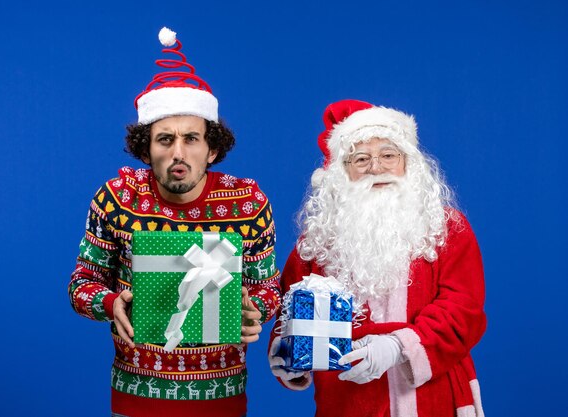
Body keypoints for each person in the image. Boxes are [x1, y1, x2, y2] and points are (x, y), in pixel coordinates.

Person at [69, 27, 280, 417]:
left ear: (213, 148)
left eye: (192, 139)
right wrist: (111, 302)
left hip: (222, 396)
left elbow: (268, 288)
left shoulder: (248, 203)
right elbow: (81, 285)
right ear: (145, 149)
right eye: (164, 139)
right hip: (136, 394)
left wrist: (256, 312)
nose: (178, 152)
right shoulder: (117, 197)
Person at [268, 99, 486, 417]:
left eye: (388, 155)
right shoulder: (317, 241)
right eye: (361, 159)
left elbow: (462, 310)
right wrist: (289, 358)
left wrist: (398, 347)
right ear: (341, 172)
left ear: (408, 163)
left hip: (429, 397)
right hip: (346, 399)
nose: (376, 167)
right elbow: (289, 315)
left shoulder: (447, 228)